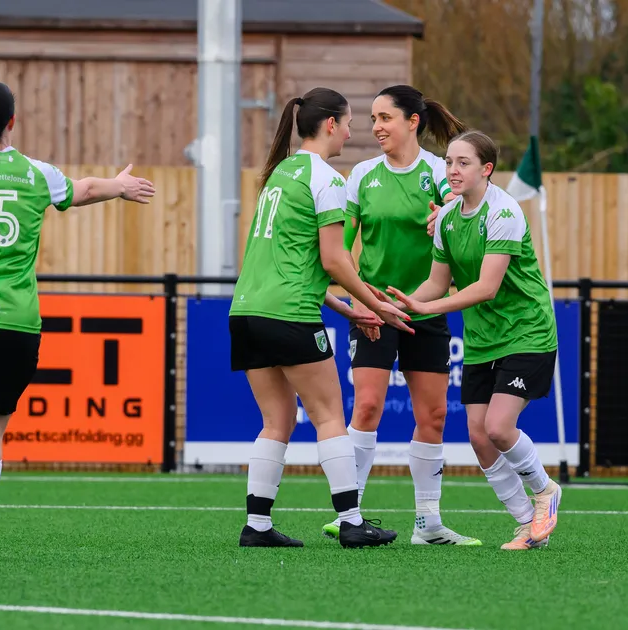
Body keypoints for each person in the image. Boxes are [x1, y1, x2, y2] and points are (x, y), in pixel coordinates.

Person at [0, 80, 156, 561]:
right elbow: (82, 190)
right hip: (17, 324)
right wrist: (119, 187)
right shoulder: (36, 173)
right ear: (11, 122)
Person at [230, 87, 413, 549]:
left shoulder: (280, 173)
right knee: (329, 414)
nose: (354, 131)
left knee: (277, 421)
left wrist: (352, 307)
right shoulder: (327, 178)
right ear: (330, 124)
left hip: (248, 310)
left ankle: (257, 526)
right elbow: (334, 261)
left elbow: (304, 267)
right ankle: (351, 521)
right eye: (350, 122)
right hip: (289, 314)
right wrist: (375, 307)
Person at [382, 130, 562, 550]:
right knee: (479, 437)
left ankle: (545, 491)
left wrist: (427, 310)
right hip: (484, 339)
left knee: (499, 427)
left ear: (487, 170)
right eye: (448, 162)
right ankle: (527, 523)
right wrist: (404, 305)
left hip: (527, 331)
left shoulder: (504, 212)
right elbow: (437, 282)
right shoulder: (446, 218)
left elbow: (486, 288)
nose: (452, 170)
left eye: (463, 163)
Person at [321, 85, 482, 546]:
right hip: (373, 309)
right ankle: (348, 513)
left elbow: (474, 212)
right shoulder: (361, 176)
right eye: (372, 118)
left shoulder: (439, 173)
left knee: (432, 415)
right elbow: (341, 249)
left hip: (425, 309)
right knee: (367, 406)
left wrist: (450, 211)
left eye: (385, 117)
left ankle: (428, 525)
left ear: (413, 121)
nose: (376, 127)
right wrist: (358, 302)